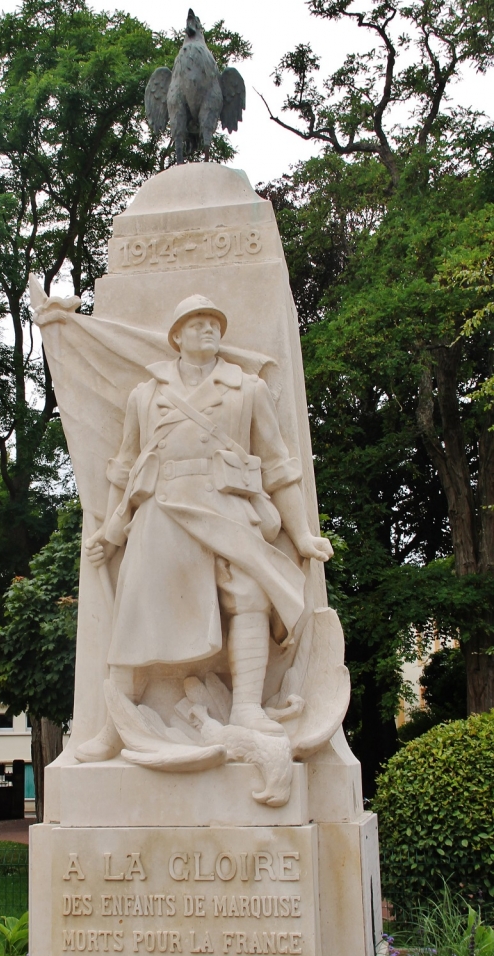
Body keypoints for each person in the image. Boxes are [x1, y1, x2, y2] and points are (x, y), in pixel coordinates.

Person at [77, 295, 333, 763]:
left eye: (214, 322)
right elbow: (125, 468)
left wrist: (301, 536)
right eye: (197, 323)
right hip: (162, 509)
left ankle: (248, 709)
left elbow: (279, 468)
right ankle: (116, 726)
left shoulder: (246, 389)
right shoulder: (146, 394)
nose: (208, 329)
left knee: (253, 596)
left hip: (227, 506)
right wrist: (111, 532)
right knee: (134, 613)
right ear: (177, 335)